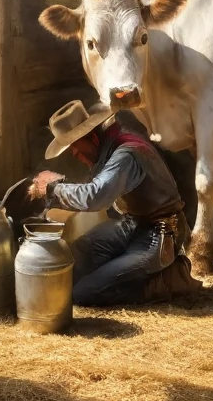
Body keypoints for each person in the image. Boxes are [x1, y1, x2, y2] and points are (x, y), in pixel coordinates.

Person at [28, 100, 203, 306]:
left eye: (75, 145)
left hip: (159, 234)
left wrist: (52, 188)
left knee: (84, 293)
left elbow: (94, 196)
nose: (74, 153)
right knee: (79, 253)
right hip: (133, 225)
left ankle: (167, 280)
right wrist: (57, 186)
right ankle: (123, 271)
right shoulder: (110, 145)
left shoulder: (124, 156)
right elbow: (94, 189)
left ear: (92, 136)